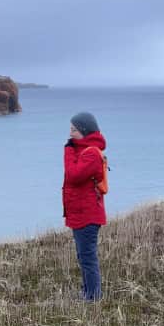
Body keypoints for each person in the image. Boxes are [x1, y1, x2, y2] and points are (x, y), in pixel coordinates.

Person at [62, 112, 108, 301]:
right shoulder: (83, 150)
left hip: (87, 215)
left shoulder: (90, 154)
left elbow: (73, 175)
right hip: (81, 213)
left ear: (84, 131)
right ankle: (87, 292)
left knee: (88, 258)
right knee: (83, 256)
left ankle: (93, 297)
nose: (70, 133)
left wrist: (68, 151)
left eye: (74, 130)